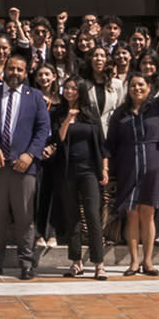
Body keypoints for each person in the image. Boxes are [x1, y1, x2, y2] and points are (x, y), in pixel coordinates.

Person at [0, 53, 52, 279]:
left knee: (24, 217)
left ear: (25, 73)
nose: (15, 73)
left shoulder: (35, 97)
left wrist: (30, 154)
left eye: (19, 69)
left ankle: (27, 263)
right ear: (3, 70)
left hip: (24, 168)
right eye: (11, 69)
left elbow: (43, 129)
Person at [107, 72, 159, 275]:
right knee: (132, 214)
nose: (137, 89)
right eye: (133, 85)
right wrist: (108, 168)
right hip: (129, 167)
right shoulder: (120, 114)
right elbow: (110, 145)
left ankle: (148, 261)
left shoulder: (156, 108)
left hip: (153, 166)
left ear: (149, 87)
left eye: (141, 85)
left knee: (148, 214)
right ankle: (134, 261)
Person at [50, 75, 110, 278]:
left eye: (73, 88)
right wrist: (68, 118)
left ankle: (99, 263)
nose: (69, 91)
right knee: (72, 216)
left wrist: (104, 168)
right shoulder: (58, 113)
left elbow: (102, 144)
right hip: (67, 170)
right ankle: (76, 262)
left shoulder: (91, 113)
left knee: (93, 215)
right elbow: (59, 138)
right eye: (66, 88)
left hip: (89, 171)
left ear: (81, 91)